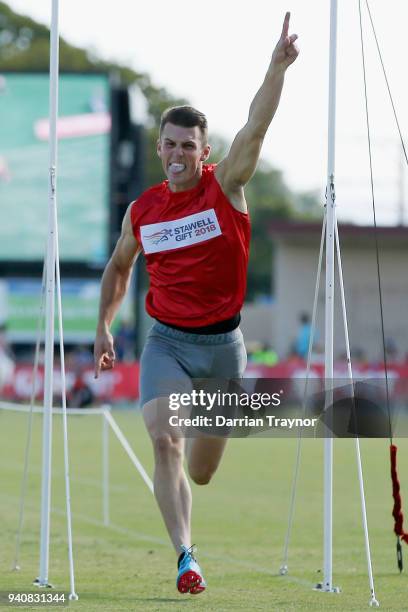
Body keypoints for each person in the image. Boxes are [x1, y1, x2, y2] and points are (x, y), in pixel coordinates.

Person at [94, 12, 299, 595]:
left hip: (223, 350)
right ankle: (187, 557)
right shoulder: (144, 210)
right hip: (167, 343)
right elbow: (118, 266)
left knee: (203, 472)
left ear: (205, 152)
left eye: (189, 145)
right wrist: (106, 326)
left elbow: (256, 128)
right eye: (171, 144)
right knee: (166, 440)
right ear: (159, 147)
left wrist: (276, 66)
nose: (178, 152)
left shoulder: (225, 187)